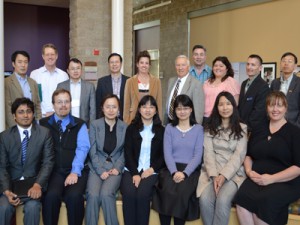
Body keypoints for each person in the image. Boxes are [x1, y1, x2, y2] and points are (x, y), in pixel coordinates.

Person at [234, 91, 300, 225]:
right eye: (271, 105)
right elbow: (249, 155)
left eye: (279, 106)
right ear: (267, 108)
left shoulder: (295, 132)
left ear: (286, 108)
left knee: (264, 203)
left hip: (285, 181)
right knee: (241, 199)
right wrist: (248, 171)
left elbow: (298, 168)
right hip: (257, 177)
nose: (275, 109)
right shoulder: (259, 128)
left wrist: (271, 179)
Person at [40, 89, 90, 225]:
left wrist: (75, 171)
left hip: (75, 171)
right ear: (53, 104)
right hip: (53, 172)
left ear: (70, 104)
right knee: (51, 197)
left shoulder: (80, 124)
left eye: (66, 101)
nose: (63, 105)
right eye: (59, 102)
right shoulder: (42, 124)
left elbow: (83, 149)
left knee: (74, 197)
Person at [0, 98, 54, 225]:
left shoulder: (44, 133)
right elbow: (2, 166)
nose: (25, 115)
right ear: (14, 116)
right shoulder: (4, 136)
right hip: (11, 185)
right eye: (21, 112)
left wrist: (38, 185)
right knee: (3, 207)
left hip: (33, 184)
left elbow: (48, 162)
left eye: (29, 111)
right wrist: (6, 191)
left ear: (33, 114)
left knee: (33, 208)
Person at [197, 91, 247, 225]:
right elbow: (208, 154)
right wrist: (214, 176)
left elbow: (239, 156)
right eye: (221, 104)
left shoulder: (242, 128)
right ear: (216, 108)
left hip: (233, 174)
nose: (225, 108)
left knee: (223, 200)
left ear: (233, 106)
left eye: (228, 104)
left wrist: (223, 176)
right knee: (205, 200)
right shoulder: (209, 128)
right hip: (211, 173)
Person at [152, 94, 204, 225]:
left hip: (190, 170)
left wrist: (185, 173)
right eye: (179, 108)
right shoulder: (169, 128)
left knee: (181, 193)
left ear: (191, 109)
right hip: (171, 168)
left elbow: (198, 155)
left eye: (185, 108)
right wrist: (175, 172)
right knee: (166, 191)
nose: (182, 111)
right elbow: (167, 153)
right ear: (174, 111)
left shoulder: (198, 129)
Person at [120, 95, 165, 225]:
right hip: (131, 170)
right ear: (139, 110)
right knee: (128, 193)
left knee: (142, 194)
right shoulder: (131, 128)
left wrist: (152, 169)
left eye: (151, 107)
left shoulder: (161, 130)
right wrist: (134, 173)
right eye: (144, 106)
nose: (147, 110)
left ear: (156, 111)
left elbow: (163, 155)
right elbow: (127, 153)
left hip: (152, 171)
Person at [85, 94, 127, 225]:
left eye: (114, 107)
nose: (111, 110)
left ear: (118, 109)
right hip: (97, 167)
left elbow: (125, 151)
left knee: (106, 194)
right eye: (107, 107)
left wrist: (118, 168)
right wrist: (100, 170)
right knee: (92, 195)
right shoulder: (94, 125)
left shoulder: (125, 127)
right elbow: (92, 151)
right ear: (102, 108)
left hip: (115, 168)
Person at [123, 50, 162, 124]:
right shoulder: (130, 81)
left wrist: (159, 122)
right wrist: (126, 122)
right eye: (141, 63)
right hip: (134, 120)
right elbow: (126, 105)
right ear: (137, 64)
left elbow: (159, 104)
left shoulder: (157, 81)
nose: (144, 65)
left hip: (151, 120)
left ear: (150, 65)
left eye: (146, 63)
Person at [5, 50, 42, 128]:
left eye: (25, 62)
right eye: (20, 62)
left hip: (32, 126)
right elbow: (7, 108)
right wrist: (14, 129)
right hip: (14, 127)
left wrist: (38, 123)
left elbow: (37, 104)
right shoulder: (6, 82)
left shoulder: (33, 82)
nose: (23, 65)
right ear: (13, 64)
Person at [30, 43, 69, 117]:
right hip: (40, 117)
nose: (50, 57)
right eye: (47, 54)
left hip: (59, 117)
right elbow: (32, 97)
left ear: (56, 56)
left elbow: (67, 98)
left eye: (52, 54)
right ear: (43, 56)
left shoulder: (64, 75)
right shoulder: (35, 74)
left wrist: (54, 112)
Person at [164, 55, 204, 125]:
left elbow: (198, 111)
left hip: (186, 125)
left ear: (188, 67)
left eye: (183, 65)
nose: (180, 68)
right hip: (169, 122)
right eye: (178, 65)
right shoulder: (171, 81)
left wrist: (196, 128)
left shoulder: (196, 84)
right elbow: (168, 103)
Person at [57, 58, 96, 127]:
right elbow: (57, 106)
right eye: (72, 69)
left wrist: (91, 127)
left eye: (78, 68)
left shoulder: (90, 86)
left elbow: (93, 110)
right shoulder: (61, 86)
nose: (75, 71)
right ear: (68, 71)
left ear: (81, 70)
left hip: (84, 125)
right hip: (65, 124)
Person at [203, 56, 240, 123]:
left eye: (221, 66)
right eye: (215, 66)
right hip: (205, 118)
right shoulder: (206, 82)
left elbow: (235, 103)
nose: (218, 68)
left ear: (227, 69)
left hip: (222, 118)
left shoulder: (231, 82)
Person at [238, 54, 270, 132]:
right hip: (240, 127)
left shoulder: (263, 86)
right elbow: (241, 106)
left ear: (260, 68)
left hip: (253, 129)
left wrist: (246, 127)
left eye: (253, 65)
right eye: (248, 64)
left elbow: (259, 112)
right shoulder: (244, 83)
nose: (249, 67)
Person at [270, 52, 300, 128]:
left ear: (295, 66)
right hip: (275, 125)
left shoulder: (298, 83)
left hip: (293, 126)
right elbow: (270, 103)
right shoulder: (274, 83)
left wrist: (297, 126)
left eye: (290, 61)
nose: (286, 63)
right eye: (284, 61)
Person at [96, 53, 128, 119]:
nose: (114, 64)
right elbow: (98, 103)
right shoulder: (101, 82)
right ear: (108, 64)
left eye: (117, 62)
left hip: (124, 119)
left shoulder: (129, 81)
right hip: (106, 119)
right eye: (112, 62)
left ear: (121, 64)